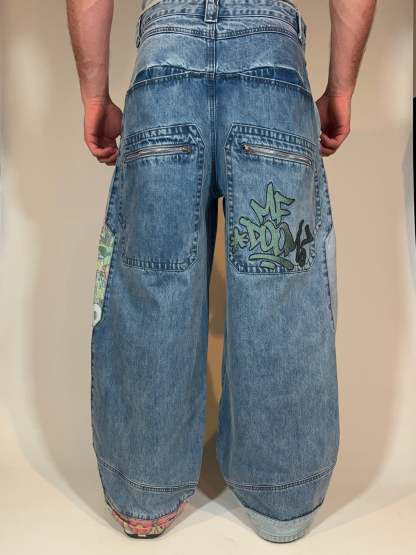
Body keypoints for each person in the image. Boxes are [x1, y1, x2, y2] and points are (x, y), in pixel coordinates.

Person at [67, 0, 376, 543]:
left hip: (165, 64)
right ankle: (284, 497)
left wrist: (95, 96)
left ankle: (144, 492)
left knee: (153, 285)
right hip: (272, 67)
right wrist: (340, 88)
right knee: (281, 292)